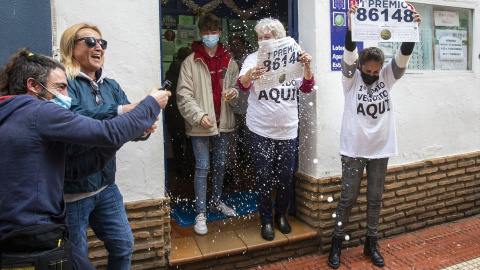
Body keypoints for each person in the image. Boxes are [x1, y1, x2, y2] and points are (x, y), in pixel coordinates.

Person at [0, 49, 169, 269]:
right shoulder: (37, 111)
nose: (66, 96)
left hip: (29, 233)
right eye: (59, 87)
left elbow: (71, 170)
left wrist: (123, 136)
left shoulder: (13, 112)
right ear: (33, 85)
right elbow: (107, 132)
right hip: (31, 236)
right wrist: (151, 103)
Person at [327, 5, 422, 269]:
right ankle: (337, 244)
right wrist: (350, 25)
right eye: (367, 71)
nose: (371, 75)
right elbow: (348, 51)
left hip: (380, 149)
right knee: (347, 198)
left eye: (375, 72)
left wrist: (412, 29)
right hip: (354, 148)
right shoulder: (350, 78)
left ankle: (371, 243)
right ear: (360, 66)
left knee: (375, 199)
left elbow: (403, 56)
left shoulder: (387, 76)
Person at [59, 23, 156, 269]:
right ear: (71, 48)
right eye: (90, 41)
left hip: (105, 187)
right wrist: (122, 110)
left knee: (124, 246)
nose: (98, 47)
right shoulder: (63, 84)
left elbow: (126, 125)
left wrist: (141, 130)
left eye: (101, 43)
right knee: (77, 261)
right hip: (72, 194)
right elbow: (77, 119)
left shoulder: (111, 86)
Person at [238, 18, 315, 241]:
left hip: (288, 129)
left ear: (279, 39)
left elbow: (307, 88)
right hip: (260, 128)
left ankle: (281, 214)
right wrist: (250, 75)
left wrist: (307, 66)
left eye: (267, 37)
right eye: (260, 38)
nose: (263, 41)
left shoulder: (295, 56)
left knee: (285, 176)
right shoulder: (253, 59)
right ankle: (265, 220)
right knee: (263, 176)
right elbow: (242, 85)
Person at [176, 13, 239, 235]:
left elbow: (238, 90)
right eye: (206, 33)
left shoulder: (229, 61)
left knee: (220, 163)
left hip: (223, 123)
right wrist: (199, 115)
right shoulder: (190, 62)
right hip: (200, 125)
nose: (210, 36)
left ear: (220, 33)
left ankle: (216, 201)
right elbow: (184, 96)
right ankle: (201, 212)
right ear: (200, 34)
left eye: (214, 32)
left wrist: (234, 94)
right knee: (202, 167)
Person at [224, 33, 253, 185]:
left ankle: (251, 169)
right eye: (232, 44)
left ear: (243, 44)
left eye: (237, 44)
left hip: (249, 107)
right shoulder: (228, 61)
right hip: (233, 106)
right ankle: (229, 170)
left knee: (251, 139)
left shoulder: (251, 60)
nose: (235, 47)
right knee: (231, 140)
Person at [165, 46, 194, 177]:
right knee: (189, 141)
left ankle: (178, 168)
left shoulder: (170, 72)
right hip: (186, 111)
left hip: (172, 111)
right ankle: (189, 169)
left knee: (176, 142)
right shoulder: (189, 71)